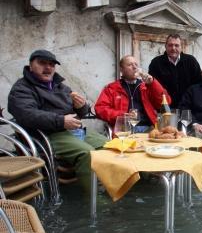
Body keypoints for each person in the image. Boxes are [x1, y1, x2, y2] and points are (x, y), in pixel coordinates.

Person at [8, 49, 107, 182]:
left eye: (52, 65)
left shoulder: (60, 86)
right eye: (42, 63)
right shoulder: (22, 88)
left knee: (109, 146)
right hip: (45, 135)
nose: (48, 68)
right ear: (31, 66)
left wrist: (81, 106)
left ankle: (109, 187)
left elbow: (83, 112)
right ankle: (95, 199)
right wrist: (61, 121)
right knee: (87, 153)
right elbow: (27, 115)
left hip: (71, 131)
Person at [95, 55, 171, 132]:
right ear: (121, 69)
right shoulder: (112, 88)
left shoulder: (146, 86)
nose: (134, 67)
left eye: (136, 64)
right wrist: (121, 115)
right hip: (123, 128)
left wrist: (152, 83)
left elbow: (165, 102)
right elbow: (100, 109)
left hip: (148, 128)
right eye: (130, 65)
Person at [148, 34, 202, 108]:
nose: (173, 48)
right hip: (164, 107)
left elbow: (198, 84)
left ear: (181, 47)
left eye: (176, 45)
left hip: (188, 107)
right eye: (170, 45)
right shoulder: (156, 63)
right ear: (165, 46)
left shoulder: (191, 61)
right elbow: (152, 87)